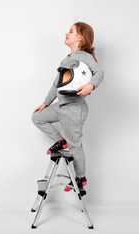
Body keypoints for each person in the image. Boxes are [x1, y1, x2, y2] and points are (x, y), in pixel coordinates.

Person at [31, 22, 104, 195]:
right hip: (61, 106)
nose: (66, 34)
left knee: (75, 145)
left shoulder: (84, 56)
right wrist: (46, 103)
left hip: (74, 108)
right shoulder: (66, 60)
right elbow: (56, 84)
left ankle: (80, 178)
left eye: (71, 32)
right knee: (37, 117)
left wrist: (90, 87)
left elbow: (99, 73)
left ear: (80, 37)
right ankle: (59, 141)